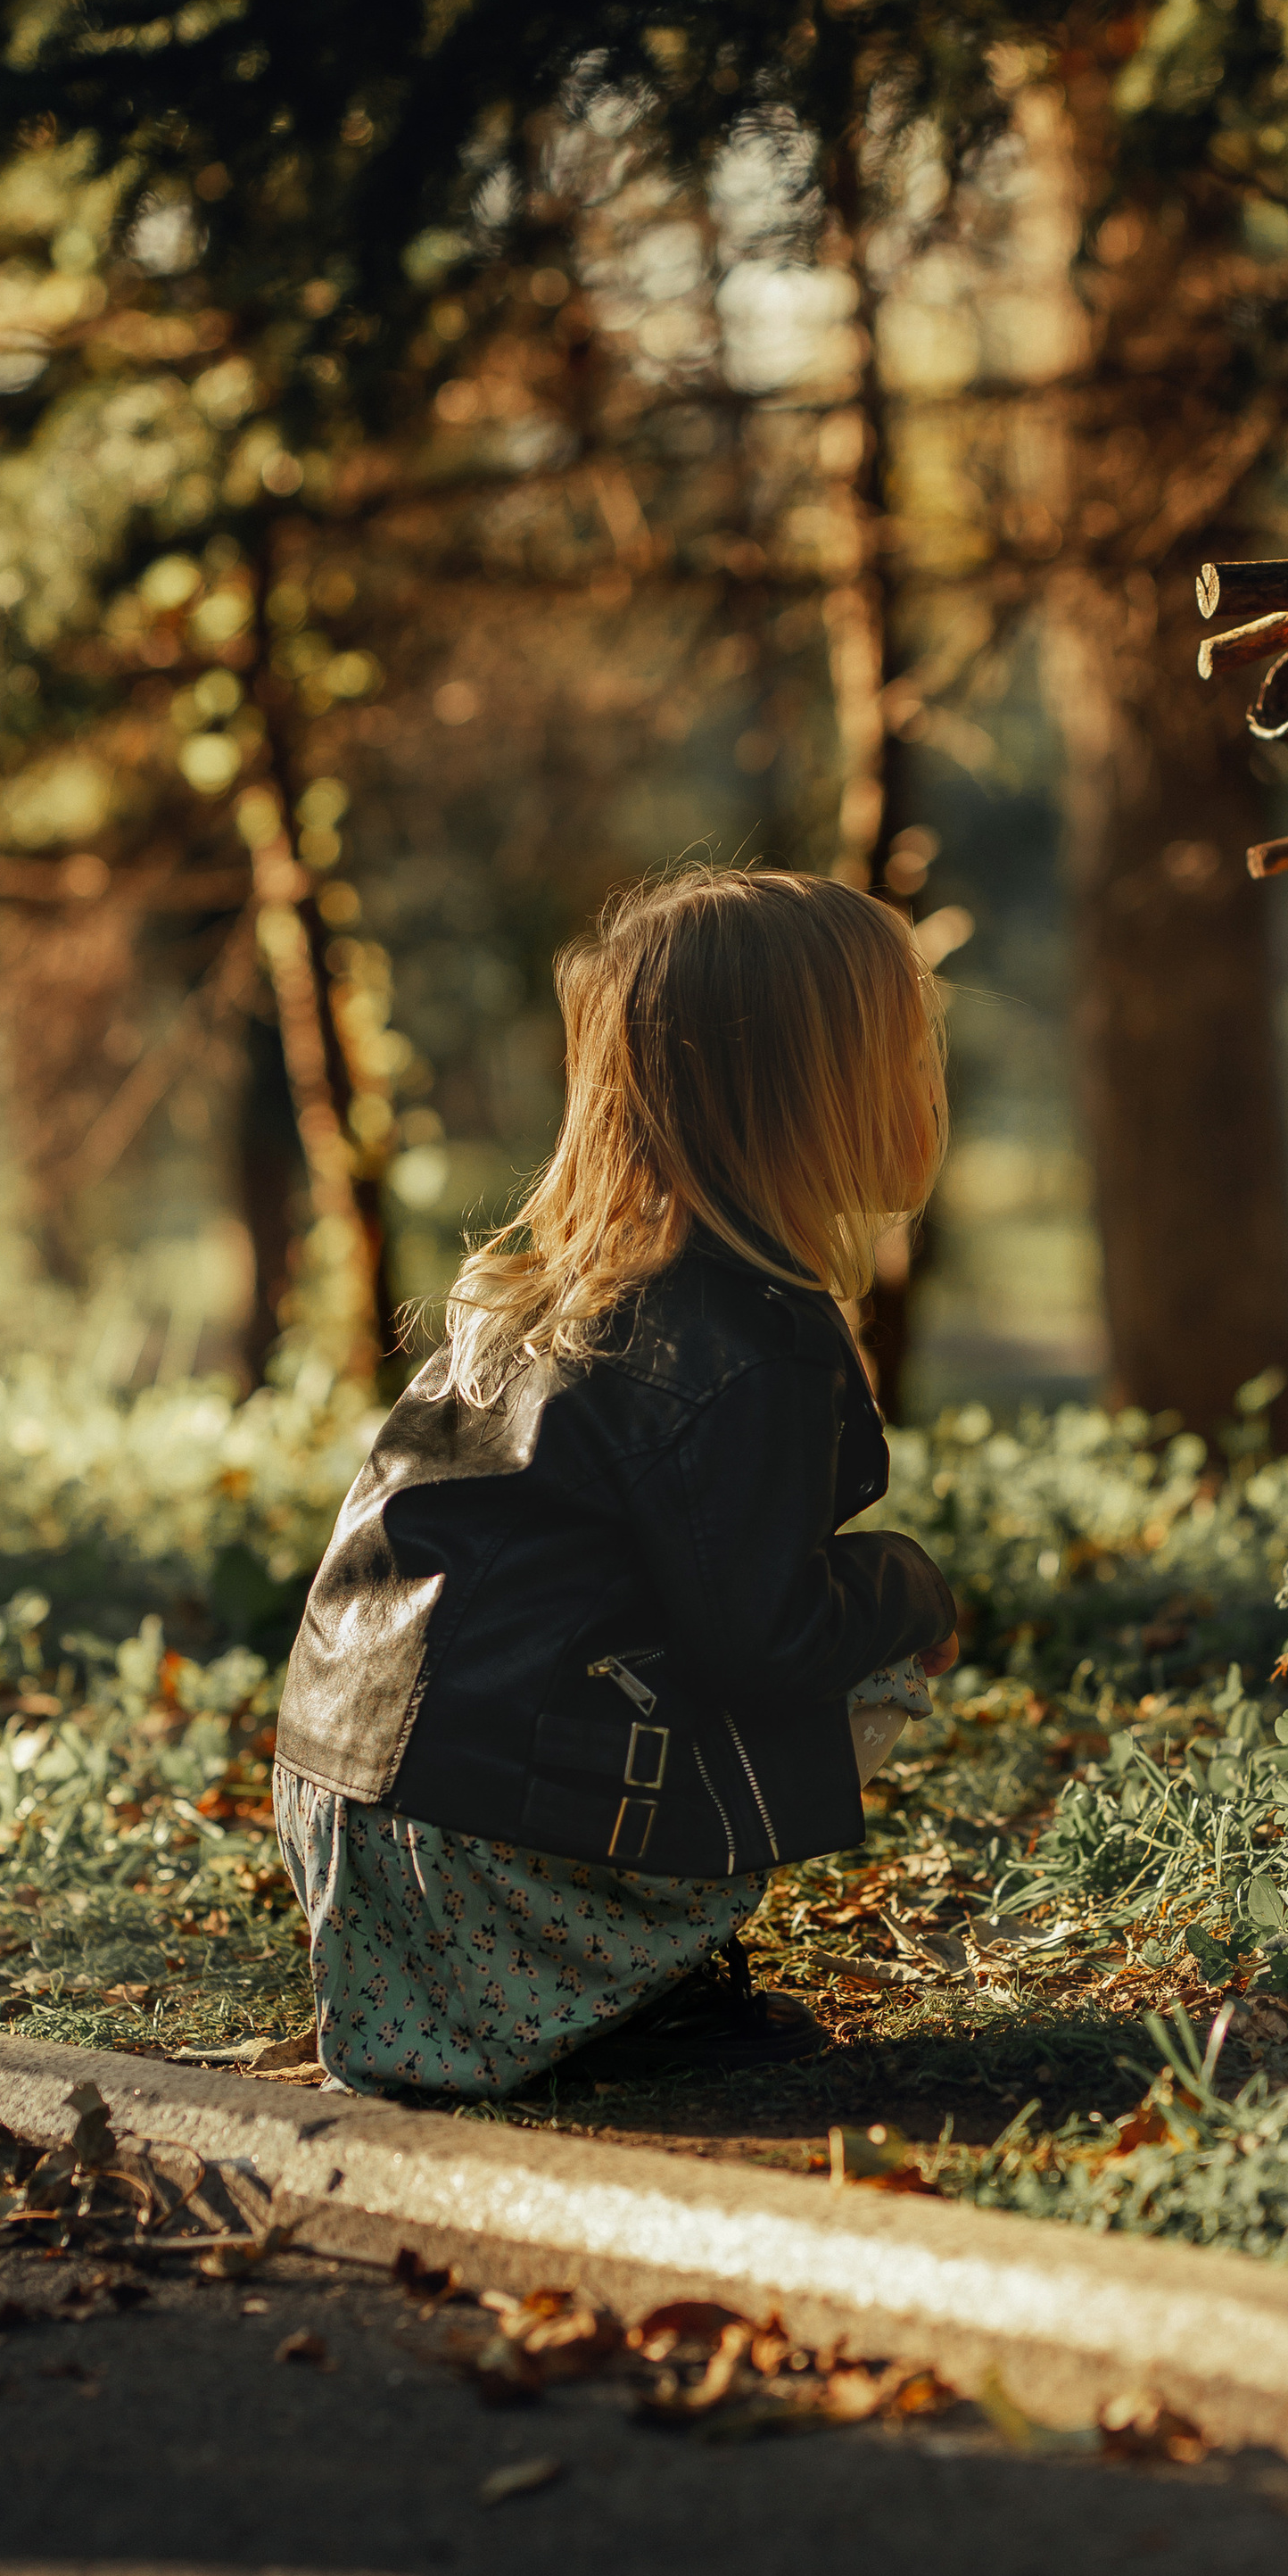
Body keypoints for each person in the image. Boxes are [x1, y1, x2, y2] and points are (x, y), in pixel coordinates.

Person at [270, 867, 959, 2097]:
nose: (927, 1092)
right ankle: (630, 1994)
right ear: (803, 1098)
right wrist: (912, 1588)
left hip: (354, 1805)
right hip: (484, 1842)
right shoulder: (750, 1340)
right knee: (878, 1650)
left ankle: (531, 1984)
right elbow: (769, 1642)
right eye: (904, 1060)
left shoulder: (565, 1287)